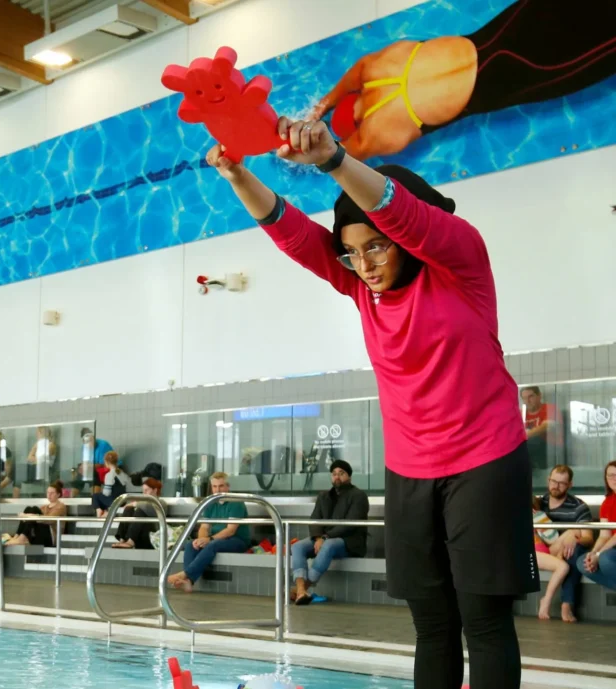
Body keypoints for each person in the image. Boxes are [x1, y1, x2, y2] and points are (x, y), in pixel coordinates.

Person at [203, 117, 534, 689]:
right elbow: (290, 231)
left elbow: (400, 212)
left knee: (483, 620)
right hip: (411, 472)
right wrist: (237, 174)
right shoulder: (360, 286)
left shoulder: (461, 265)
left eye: (376, 246)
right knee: (432, 624)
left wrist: (333, 159)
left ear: (405, 239)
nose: (366, 264)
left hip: (485, 462)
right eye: (352, 253)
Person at [311, 0, 616, 160]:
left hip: (519, 75)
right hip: (503, 31)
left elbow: (332, 156)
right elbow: (353, 74)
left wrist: (296, 150)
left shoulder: (376, 135)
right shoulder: (376, 67)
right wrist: (323, 104)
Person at [290, 460, 369, 605]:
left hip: (349, 542)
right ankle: (301, 590)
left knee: (329, 545)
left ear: (349, 476)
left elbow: (349, 524)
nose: (337, 477)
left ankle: (302, 589)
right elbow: (314, 519)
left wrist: (325, 538)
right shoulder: (324, 496)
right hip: (323, 539)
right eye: (334, 474)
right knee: (297, 547)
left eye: (341, 474)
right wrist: (319, 537)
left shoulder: (359, 496)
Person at [166, 473, 249, 593]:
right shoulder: (210, 502)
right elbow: (204, 527)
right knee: (191, 544)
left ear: (227, 486)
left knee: (212, 545)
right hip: (216, 539)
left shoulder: (236, 502)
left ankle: (185, 574)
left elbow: (230, 531)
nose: (217, 490)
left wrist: (209, 539)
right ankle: (189, 581)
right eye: (214, 487)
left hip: (237, 540)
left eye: (221, 486)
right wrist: (201, 540)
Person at [539, 465, 595, 623]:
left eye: (561, 483)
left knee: (575, 549)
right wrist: (570, 532)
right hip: (540, 551)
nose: (556, 486)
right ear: (548, 480)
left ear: (570, 485)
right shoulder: (538, 504)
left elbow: (588, 538)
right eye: (553, 481)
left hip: (566, 554)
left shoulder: (579, 506)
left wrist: (574, 538)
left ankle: (566, 604)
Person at [531, 497, 571, 621]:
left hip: (541, 550)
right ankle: (546, 600)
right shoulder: (536, 515)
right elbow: (552, 537)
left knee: (573, 530)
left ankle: (546, 600)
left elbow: (552, 539)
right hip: (532, 552)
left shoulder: (536, 515)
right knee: (563, 567)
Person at [582, 460, 616, 591]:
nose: (614, 478)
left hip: (612, 549)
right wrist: (593, 553)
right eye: (610, 475)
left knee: (605, 559)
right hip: (612, 548)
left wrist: (599, 555)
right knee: (583, 562)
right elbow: (604, 535)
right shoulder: (607, 503)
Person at [5, 481, 67, 547]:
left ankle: (22, 538)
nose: (49, 495)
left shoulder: (60, 506)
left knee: (34, 509)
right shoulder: (44, 507)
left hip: (51, 537)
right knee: (28, 509)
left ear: (58, 494)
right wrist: (28, 516)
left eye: (52, 493)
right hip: (41, 534)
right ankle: (16, 536)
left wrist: (27, 516)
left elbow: (49, 520)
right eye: (48, 492)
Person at [112, 478, 162, 550]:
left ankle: (130, 541)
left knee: (140, 511)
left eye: (146, 490)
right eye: (143, 490)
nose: (144, 493)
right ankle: (122, 540)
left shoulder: (161, 503)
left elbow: (147, 507)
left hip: (152, 536)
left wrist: (135, 503)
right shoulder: (141, 503)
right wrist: (133, 505)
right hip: (139, 535)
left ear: (155, 490)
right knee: (128, 509)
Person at [521, 385, 560, 468]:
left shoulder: (550, 408)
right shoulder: (522, 413)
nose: (527, 401)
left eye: (531, 396)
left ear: (539, 396)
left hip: (550, 450)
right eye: (524, 398)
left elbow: (546, 426)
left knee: (534, 440)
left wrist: (522, 436)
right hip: (529, 453)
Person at [71, 428, 113, 496]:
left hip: (110, 467)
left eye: (91, 440)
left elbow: (104, 464)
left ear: (94, 438)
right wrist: (81, 468)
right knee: (79, 474)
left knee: (93, 473)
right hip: (94, 468)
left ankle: (95, 498)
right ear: (83, 441)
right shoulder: (84, 447)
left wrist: (88, 467)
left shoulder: (103, 445)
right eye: (87, 441)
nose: (90, 443)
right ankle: (71, 499)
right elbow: (85, 462)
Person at [92, 451, 126, 516]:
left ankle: (99, 512)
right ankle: (105, 511)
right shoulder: (121, 472)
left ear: (106, 462)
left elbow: (107, 493)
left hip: (114, 501)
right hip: (123, 500)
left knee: (95, 496)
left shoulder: (109, 475)